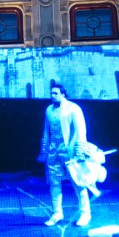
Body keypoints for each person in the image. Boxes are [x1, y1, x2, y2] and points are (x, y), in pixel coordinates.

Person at [37, 81, 91, 227]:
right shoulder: (49, 110)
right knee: (54, 183)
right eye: (51, 93)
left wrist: (81, 152)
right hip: (54, 153)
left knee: (78, 183)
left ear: (63, 94)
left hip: (70, 153)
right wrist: (44, 151)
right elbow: (46, 132)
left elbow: (81, 132)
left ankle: (85, 214)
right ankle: (57, 213)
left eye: (55, 93)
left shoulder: (74, 109)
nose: (52, 96)